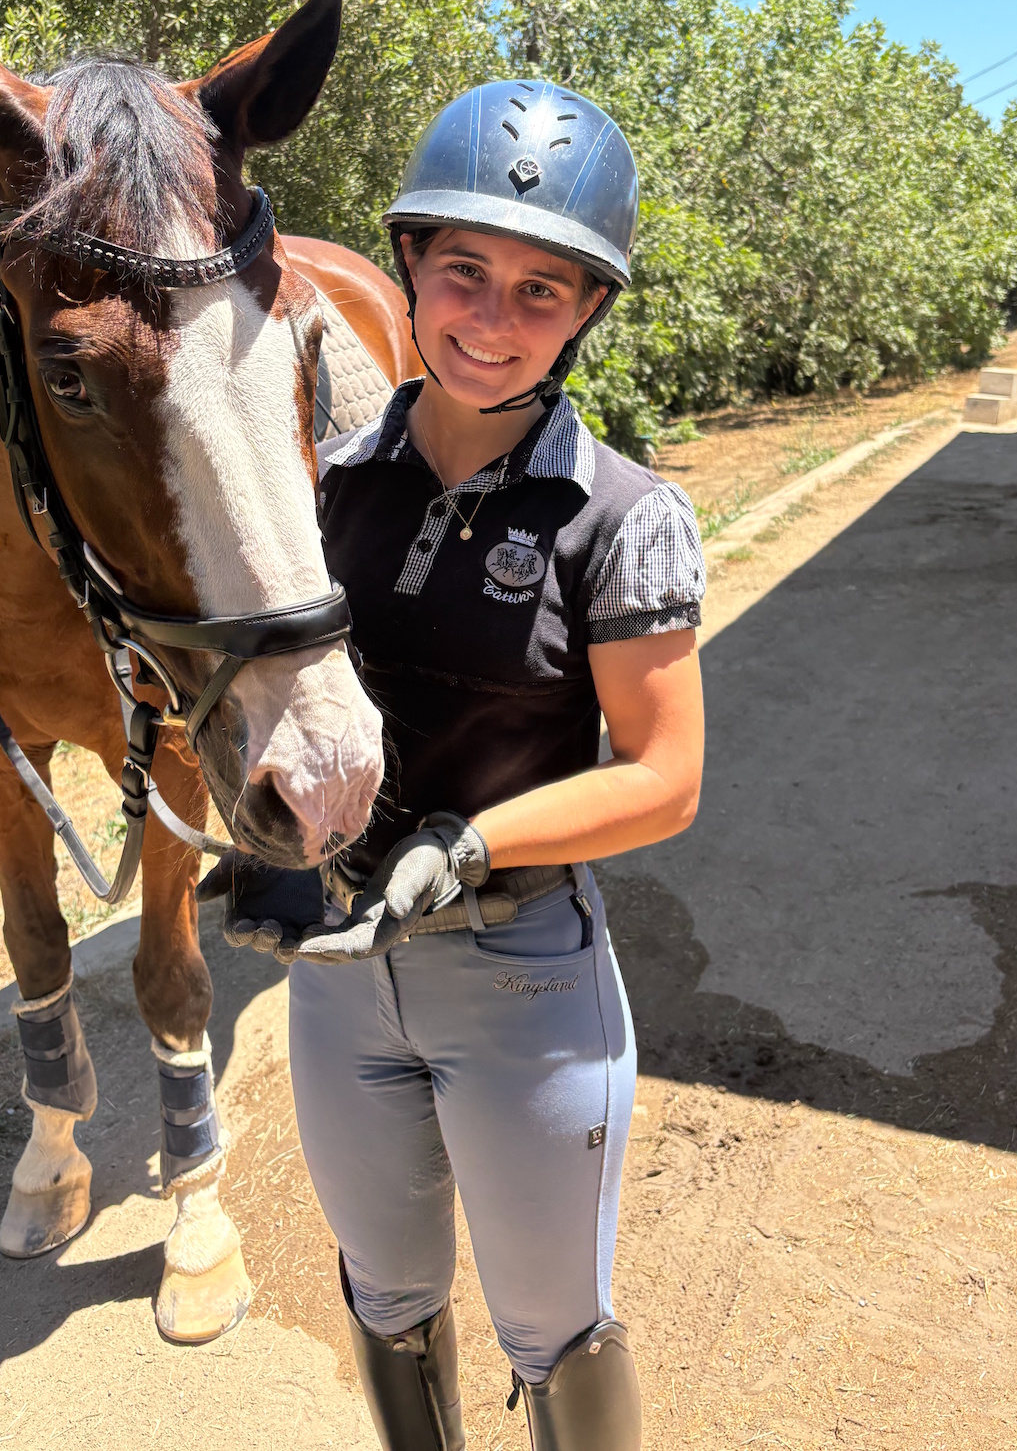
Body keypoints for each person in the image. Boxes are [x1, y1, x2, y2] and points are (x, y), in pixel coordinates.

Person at [200, 78, 705, 1450]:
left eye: (541, 290)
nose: (492, 318)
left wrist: (469, 844)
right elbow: (268, 697)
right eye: (464, 271)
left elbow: (663, 778)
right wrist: (249, 825)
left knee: (556, 1331)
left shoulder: (620, 516)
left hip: (522, 975)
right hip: (340, 977)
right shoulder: (322, 488)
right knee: (386, 1294)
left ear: (586, 311)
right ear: (410, 266)